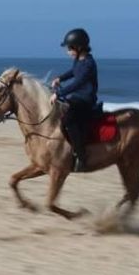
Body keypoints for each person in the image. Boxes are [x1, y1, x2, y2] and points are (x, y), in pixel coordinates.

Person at [50, 28, 99, 172]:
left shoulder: (89, 63)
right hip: (77, 97)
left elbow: (79, 83)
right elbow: (73, 72)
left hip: (86, 99)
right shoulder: (79, 60)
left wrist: (59, 94)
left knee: (68, 120)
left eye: (70, 48)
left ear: (78, 47)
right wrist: (60, 78)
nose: (68, 52)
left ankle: (81, 156)